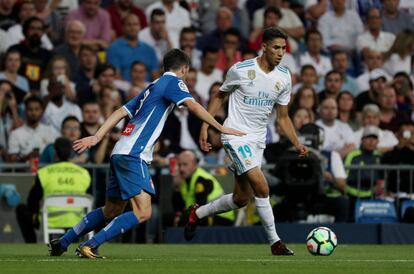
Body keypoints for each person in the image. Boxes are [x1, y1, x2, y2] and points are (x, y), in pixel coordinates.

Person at [48, 48, 244, 258]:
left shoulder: (151, 88)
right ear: (184, 69)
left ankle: (63, 242)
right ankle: (91, 245)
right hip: (134, 155)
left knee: (111, 210)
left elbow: (120, 111)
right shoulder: (173, 82)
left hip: (120, 152)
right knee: (144, 212)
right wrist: (219, 126)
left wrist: (97, 136)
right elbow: (193, 106)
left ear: (163, 67)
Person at [185, 27, 308, 256]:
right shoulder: (241, 70)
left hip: (257, 139)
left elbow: (283, 117)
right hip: (234, 134)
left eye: (283, 48)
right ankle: (275, 242)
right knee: (262, 187)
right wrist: (205, 125)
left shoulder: (284, 77)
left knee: (241, 198)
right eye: (276, 47)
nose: (281, 53)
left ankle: (197, 214)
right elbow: (219, 96)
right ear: (264, 47)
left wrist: (296, 142)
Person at [15, 137, 91, 243]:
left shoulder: (44, 173)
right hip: (77, 220)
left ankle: (31, 243)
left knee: (21, 209)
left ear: (55, 152)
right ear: (71, 152)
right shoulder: (84, 173)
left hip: (49, 220)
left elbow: (32, 202)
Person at [172, 150, 234, 226]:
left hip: (222, 217)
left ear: (194, 164)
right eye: (179, 165)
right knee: (169, 218)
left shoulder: (202, 179)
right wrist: (177, 188)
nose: (181, 169)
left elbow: (200, 207)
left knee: (186, 220)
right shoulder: (184, 180)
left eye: (185, 164)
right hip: (206, 214)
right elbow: (180, 205)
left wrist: (181, 218)